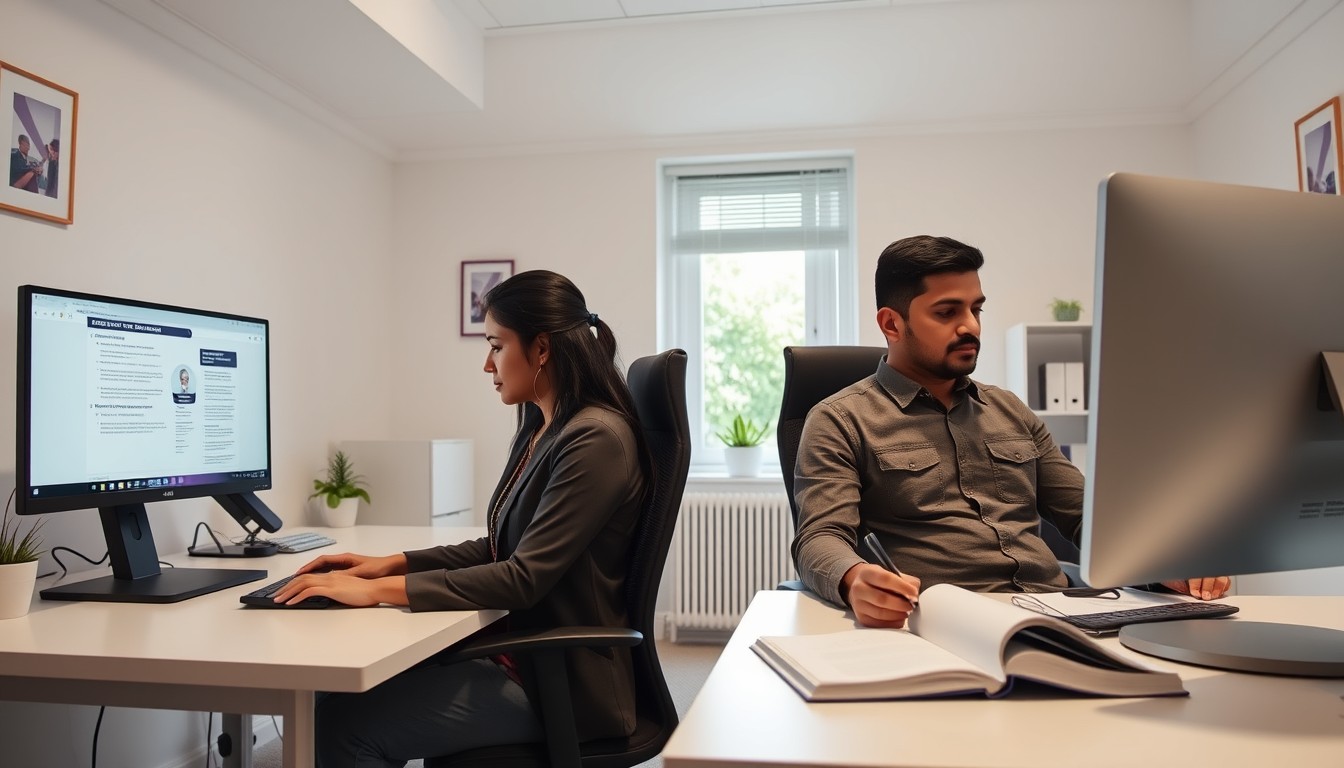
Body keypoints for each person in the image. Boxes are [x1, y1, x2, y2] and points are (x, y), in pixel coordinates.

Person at [274, 269, 651, 766]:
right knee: (332, 692)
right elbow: (500, 546)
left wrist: (376, 591)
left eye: (496, 345)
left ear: (541, 349)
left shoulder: (595, 438)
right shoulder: (544, 427)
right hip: (523, 652)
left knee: (342, 729)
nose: (486, 364)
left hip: (559, 683)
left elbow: (523, 578)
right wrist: (388, 565)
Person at [791, 235, 1230, 629]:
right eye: (947, 312)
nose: (970, 326)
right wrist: (854, 579)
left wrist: (1162, 562)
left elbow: (1084, 514)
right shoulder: (839, 420)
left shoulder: (1009, 410)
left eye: (976, 309)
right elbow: (820, 537)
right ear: (892, 324)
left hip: (1059, 615)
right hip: (946, 626)